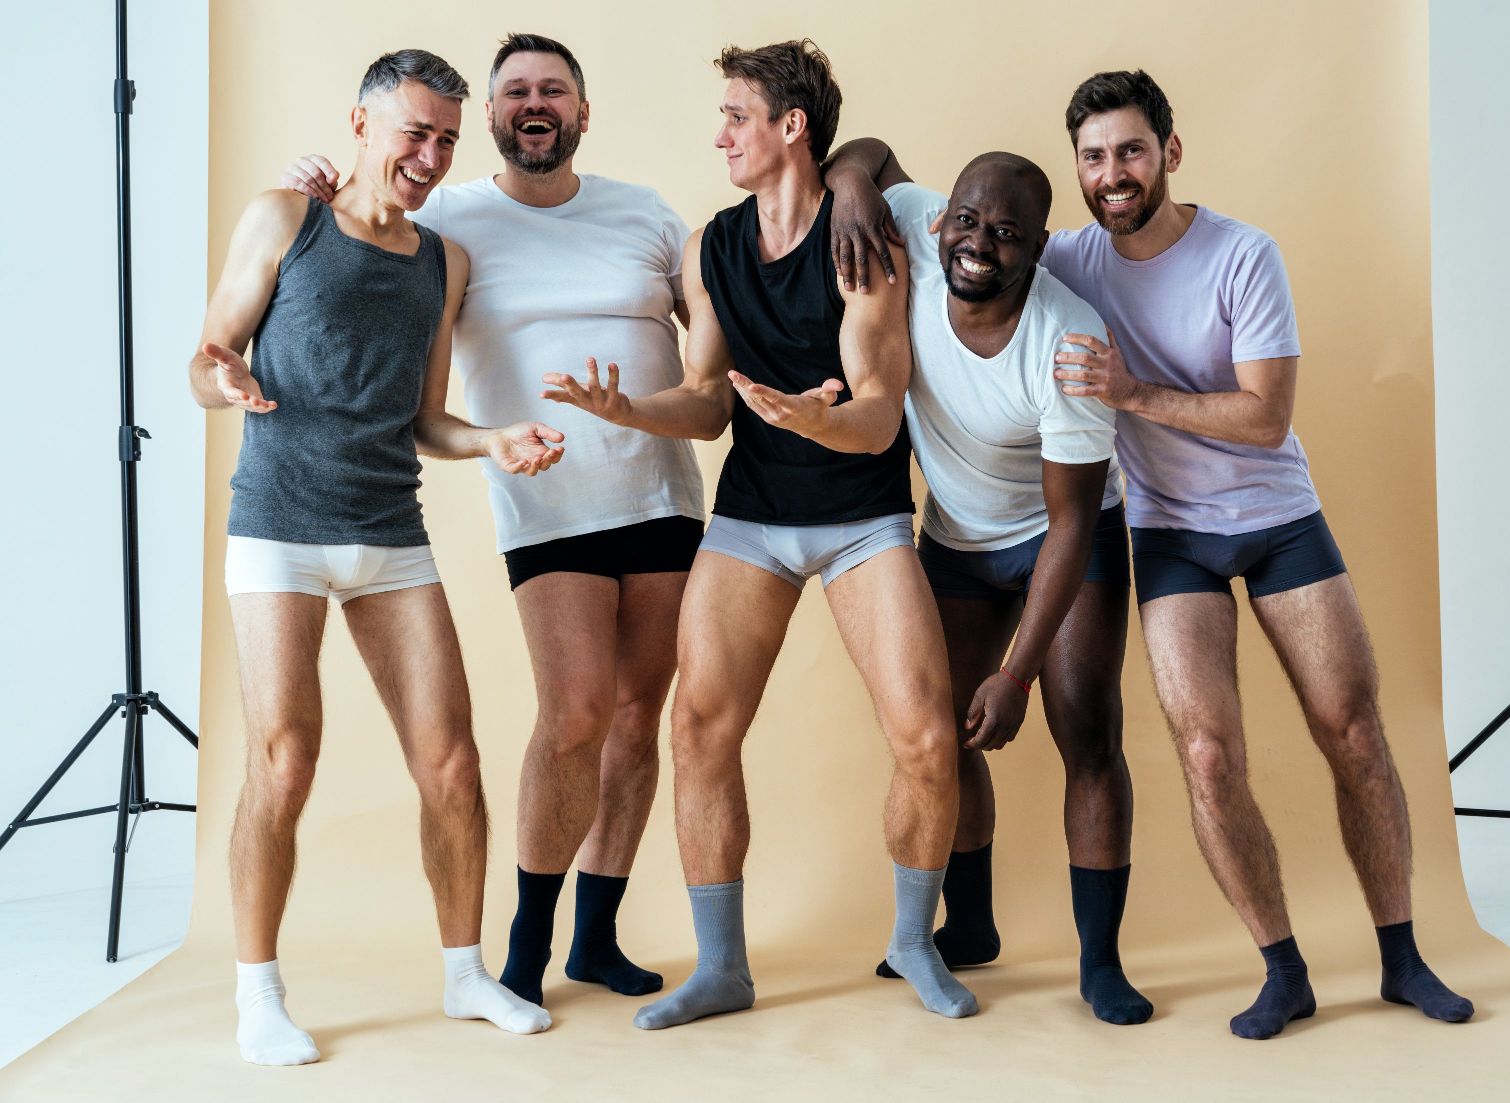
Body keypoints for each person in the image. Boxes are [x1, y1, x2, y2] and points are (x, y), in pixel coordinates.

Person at [829, 68, 1475, 1041]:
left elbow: (1265, 419)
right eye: (1094, 157)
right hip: (1168, 529)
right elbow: (895, 176)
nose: (1114, 172)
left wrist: (1130, 392)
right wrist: (845, 187)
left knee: (1350, 725)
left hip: (1276, 514)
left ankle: (1401, 953)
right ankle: (1283, 967)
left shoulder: (1238, 257)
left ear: (1168, 153)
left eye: (1131, 151)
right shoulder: (1056, 256)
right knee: (1206, 750)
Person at [544, 39, 976, 1027]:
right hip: (753, 516)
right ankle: (724, 966)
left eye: (738, 113)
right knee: (698, 726)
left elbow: (877, 408)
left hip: (864, 515)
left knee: (922, 733)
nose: (721, 133)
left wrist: (820, 418)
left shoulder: (862, 239)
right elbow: (704, 403)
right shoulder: (711, 247)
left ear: (793, 127)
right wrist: (628, 410)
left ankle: (912, 941)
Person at [279, 33, 706, 1006]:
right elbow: (352, 231)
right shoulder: (450, 220)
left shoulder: (646, 214)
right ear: (493, 122)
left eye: (554, 88)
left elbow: (716, 341)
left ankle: (596, 937)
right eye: (516, 91)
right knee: (577, 715)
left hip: (664, 499)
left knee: (638, 720)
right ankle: (524, 945)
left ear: (583, 112)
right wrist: (308, 186)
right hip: (549, 509)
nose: (535, 102)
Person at [192, 49, 560, 1065]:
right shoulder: (285, 217)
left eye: (448, 138)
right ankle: (256, 995)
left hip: (390, 533)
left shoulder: (445, 262)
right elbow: (204, 357)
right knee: (286, 756)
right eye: (416, 133)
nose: (432, 155)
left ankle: (464, 974)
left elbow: (429, 417)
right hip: (278, 529)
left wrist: (490, 439)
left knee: (451, 762)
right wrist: (222, 383)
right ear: (362, 126)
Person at [821, 142, 1151, 1025]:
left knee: (1083, 727)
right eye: (966, 221)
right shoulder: (921, 242)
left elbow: (1073, 522)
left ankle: (1099, 961)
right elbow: (866, 153)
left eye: (1006, 233)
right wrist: (851, 184)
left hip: (1060, 535)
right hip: (958, 538)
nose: (978, 243)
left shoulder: (1070, 340)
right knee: (941, 731)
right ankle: (968, 928)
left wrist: (1017, 670)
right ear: (937, 219)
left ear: (1039, 248)